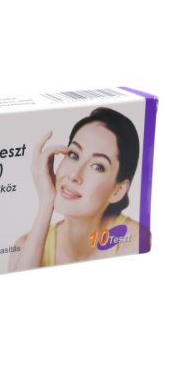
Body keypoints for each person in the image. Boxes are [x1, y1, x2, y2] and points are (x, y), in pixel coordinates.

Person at [9, 107, 142, 271]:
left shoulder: (135, 242)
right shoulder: (24, 247)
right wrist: (46, 204)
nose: (74, 175)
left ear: (118, 190)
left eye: (97, 166)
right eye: (74, 155)